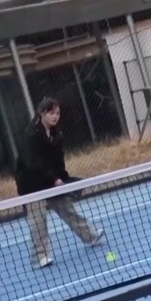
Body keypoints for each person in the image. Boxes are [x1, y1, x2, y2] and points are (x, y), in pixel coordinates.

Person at [15, 97, 104, 268]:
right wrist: (53, 179)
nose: (55, 116)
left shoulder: (56, 134)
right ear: (41, 113)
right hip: (31, 184)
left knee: (67, 209)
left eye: (57, 113)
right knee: (38, 220)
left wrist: (63, 178)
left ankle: (90, 236)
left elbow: (58, 159)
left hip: (51, 181)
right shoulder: (31, 135)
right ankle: (40, 257)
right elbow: (33, 163)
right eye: (51, 113)